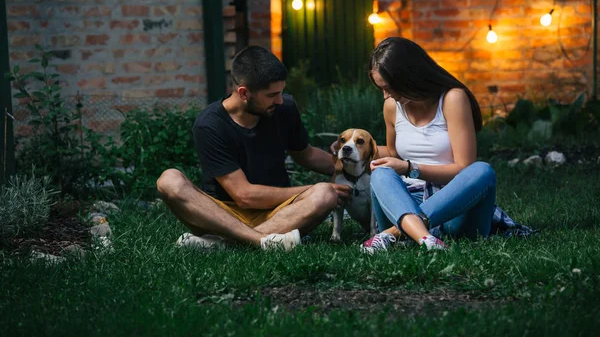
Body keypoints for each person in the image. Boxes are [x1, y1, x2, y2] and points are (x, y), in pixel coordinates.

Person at [156, 46, 350, 252]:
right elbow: (244, 196)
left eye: (281, 92)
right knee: (169, 180)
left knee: (325, 194)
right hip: (224, 216)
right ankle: (260, 241)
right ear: (243, 93)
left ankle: (226, 245)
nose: (279, 100)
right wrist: (308, 189)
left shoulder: (284, 109)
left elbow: (308, 155)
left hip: (279, 212)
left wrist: (360, 165)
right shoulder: (210, 124)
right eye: (271, 94)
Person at [358, 37, 497, 254]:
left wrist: (409, 167)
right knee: (381, 174)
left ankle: (394, 234)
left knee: (482, 171)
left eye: (390, 87)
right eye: (381, 89)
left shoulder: (452, 99)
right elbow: (393, 154)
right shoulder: (391, 106)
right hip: (404, 201)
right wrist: (353, 149)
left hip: (453, 208)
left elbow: (464, 170)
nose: (386, 95)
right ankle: (426, 239)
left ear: (410, 76)